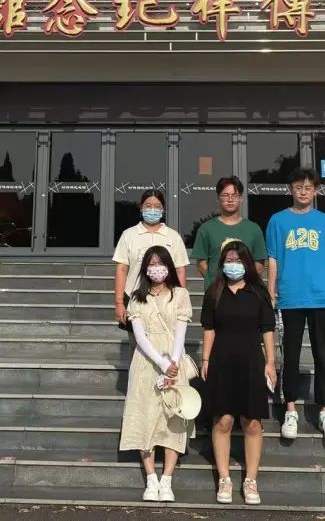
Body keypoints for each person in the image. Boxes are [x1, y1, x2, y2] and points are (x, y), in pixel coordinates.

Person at [266, 167, 325, 443]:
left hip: (320, 297)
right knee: (289, 355)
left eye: (308, 187)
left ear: (316, 191)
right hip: (290, 298)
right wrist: (271, 290)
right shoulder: (278, 221)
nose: (303, 192)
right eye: (298, 187)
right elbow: (273, 258)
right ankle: (290, 410)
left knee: (323, 355)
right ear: (291, 189)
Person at [200, 240, 276, 505]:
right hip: (221, 361)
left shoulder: (259, 293)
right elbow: (209, 328)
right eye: (229, 261)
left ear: (248, 264)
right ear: (222, 264)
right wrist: (205, 358)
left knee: (252, 422)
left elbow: (267, 329)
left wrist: (270, 362)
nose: (233, 265)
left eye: (238, 261)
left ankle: (251, 480)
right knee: (223, 421)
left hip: (252, 362)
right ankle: (224, 479)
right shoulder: (214, 292)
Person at [119, 245, 194, 502]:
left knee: (173, 418)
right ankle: (151, 478)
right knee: (144, 415)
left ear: (169, 266)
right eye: (151, 264)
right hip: (146, 362)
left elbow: (181, 332)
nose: (156, 269)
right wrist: (162, 364)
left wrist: (173, 363)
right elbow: (140, 337)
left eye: (160, 263)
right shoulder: (136, 298)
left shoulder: (180, 295)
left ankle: (167, 479)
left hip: (174, 359)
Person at [113, 190, 188, 326]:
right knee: (136, 339)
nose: (152, 210)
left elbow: (180, 270)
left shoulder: (173, 236)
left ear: (163, 209)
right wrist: (119, 302)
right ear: (141, 208)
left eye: (157, 206)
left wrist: (181, 299)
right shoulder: (129, 235)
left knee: (165, 338)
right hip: (134, 298)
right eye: (148, 206)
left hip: (166, 300)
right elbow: (121, 269)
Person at [190, 175, 267, 291]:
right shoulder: (206, 228)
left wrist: (244, 284)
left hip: (246, 293)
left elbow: (259, 264)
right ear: (218, 199)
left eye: (235, 195)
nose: (230, 199)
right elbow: (201, 263)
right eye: (225, 195)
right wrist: (215, 281)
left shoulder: (254, 229)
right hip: (216, 292)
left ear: (241, 198)